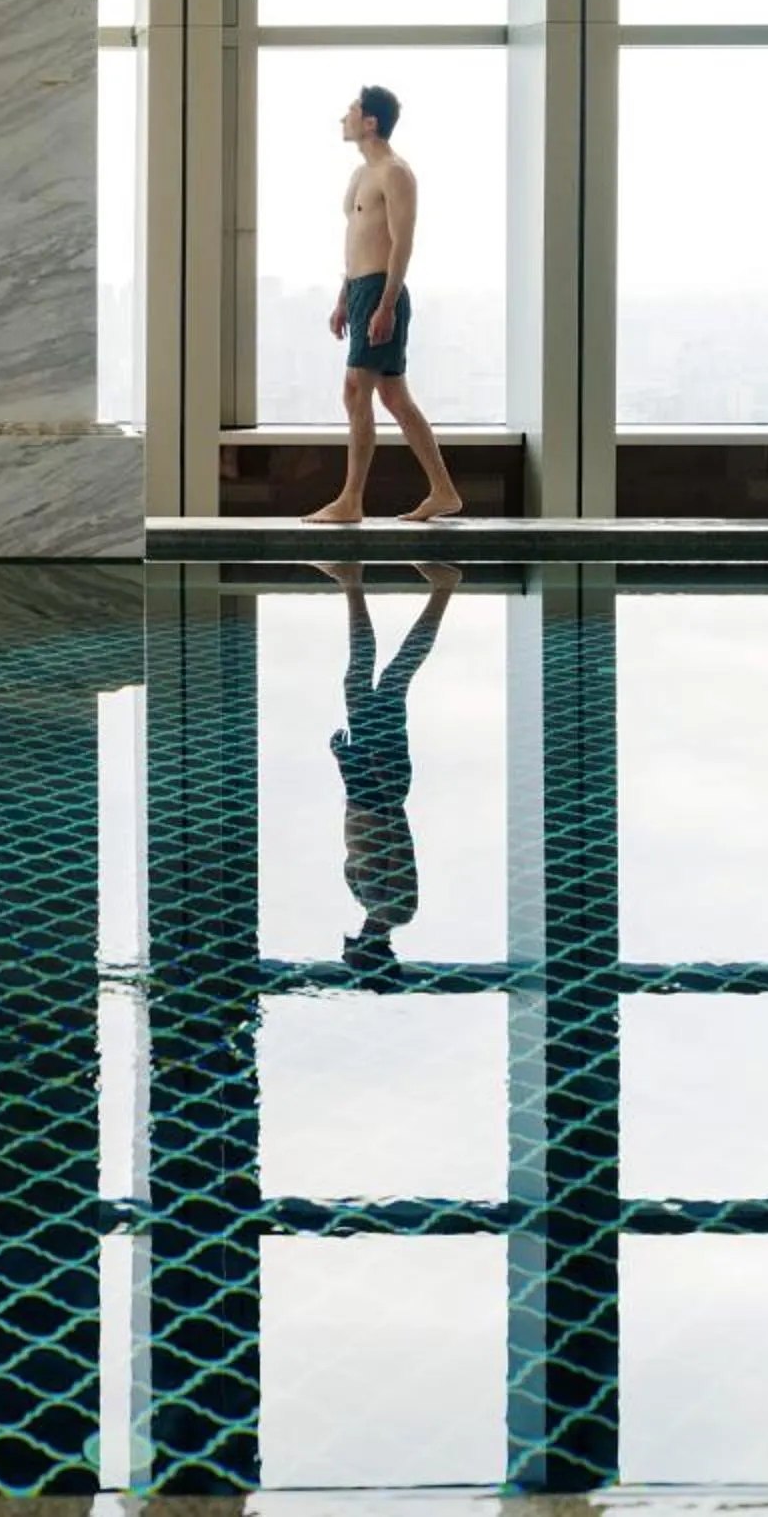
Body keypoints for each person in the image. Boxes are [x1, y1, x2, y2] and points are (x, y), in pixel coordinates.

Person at [305, 83, 465, 525]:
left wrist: (386, 304)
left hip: (381, 290)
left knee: (356, 390)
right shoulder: (360, 176)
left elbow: (401, 243)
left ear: (370, 121)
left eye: (351, 111)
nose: (344, 118)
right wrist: (344, 297)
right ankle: (443, 491)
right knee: (393, 396)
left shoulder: (396, 173)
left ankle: (352, 500)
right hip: (361, 290)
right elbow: (356, 242)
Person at [317, 559, 457, 971]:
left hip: (366, 789)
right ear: (369, 952)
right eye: (353, 956)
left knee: (370, 681)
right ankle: (366, 582)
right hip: (383, 787)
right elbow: (398, 844)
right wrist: (373, 770)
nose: (346, 950)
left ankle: (355, 582)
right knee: (389, 680)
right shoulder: (398, 909)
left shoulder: (365, 900)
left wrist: (347, 766)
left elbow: (355, 835)